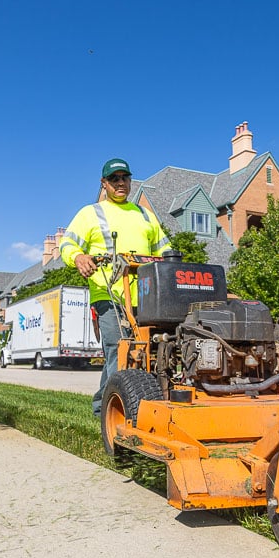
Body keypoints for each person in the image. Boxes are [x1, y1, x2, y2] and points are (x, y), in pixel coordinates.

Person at [59, 158, 170, 417]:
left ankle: (126, 403)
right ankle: (111, 413)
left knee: (151, 351)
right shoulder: (90, 213)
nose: (121, 183)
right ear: (104, 184)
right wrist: (78, 258)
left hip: (146, 297)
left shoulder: (145, 215)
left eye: (125, 178)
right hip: (109, 294)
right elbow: (67, 245)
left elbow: (165, 251)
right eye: (114, 179)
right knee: (118, 351)